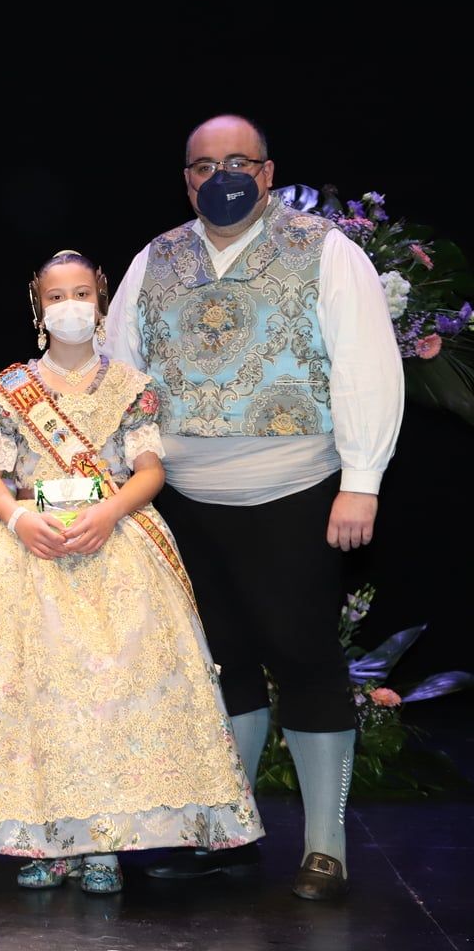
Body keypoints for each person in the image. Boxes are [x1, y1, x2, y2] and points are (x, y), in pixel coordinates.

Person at [0, 250, 262, 894]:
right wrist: (18, 520)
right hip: (30, 548)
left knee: (110, 697)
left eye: (82, 293)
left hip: (114, 546)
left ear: (101, 303)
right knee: (32, 697)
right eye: (57, 296)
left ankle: (105, 839)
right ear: (38, 307)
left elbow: (150, 471)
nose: (70, 305)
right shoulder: (11, 387)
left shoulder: (131, 385)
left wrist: (110, 512)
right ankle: (40, 838)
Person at [104, 114, 404, 901]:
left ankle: (324, 849)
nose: (221, 176)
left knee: (304, 660)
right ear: (188, 180)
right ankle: (227, 840)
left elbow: (367, 363)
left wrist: (361, 479)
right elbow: (117, 375)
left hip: (295, 492)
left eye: (238, 162)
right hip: (183, 501)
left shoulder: (326, 252)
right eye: (204, 165)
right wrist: (116, 478)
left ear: (268, 174)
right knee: (218, 667)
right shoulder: (155, 259)